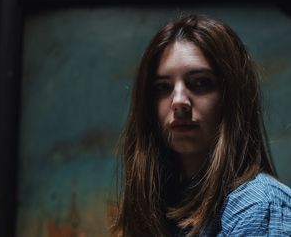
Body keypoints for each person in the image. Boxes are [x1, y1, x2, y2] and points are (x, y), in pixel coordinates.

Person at [112, 14, 291, 236]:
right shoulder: (164, 208)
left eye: (200, 83)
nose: (178, 101)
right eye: (162, 87)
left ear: (231, 97)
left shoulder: (257, 208)